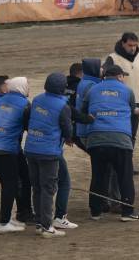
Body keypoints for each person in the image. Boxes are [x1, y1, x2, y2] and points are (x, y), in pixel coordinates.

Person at [25, 73, 90, 237]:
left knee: (37, 187)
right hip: (48, 151)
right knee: (48, 188)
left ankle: (40, 223)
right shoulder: (63, 106)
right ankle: (47, 226)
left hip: (31, 148)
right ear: (62, 88)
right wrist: (68, 138)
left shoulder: (37, 99)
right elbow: (68, 129)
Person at [82, 65, 139, 221]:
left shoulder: (92, 90)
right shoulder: (127, 91)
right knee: (125, 176)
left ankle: (95, 211)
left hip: (97, 138)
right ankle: (127, 211)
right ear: (120, 77)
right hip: (120, 138)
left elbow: (83, 110)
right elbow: (132, 109)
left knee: (98, 176)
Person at [0, 76, 32, 233]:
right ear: (20, 87)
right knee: (10, 184)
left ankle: (21, 214)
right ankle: (4, 223)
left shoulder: (3, 101)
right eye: (27, 85)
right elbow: (29, 126)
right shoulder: (24, 104)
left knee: (22, 177)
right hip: (5, 147)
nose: (29, 88)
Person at [104, 32, 139, 173]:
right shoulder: (112, 58)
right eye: (130, 45)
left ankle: (127, 164)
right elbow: (104, 78)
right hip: (118, 104)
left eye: (135, 45)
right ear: (123, 43)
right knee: (119, 134)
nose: (133, 48)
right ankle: (116, 165)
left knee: (131, 135)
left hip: (137, 103)